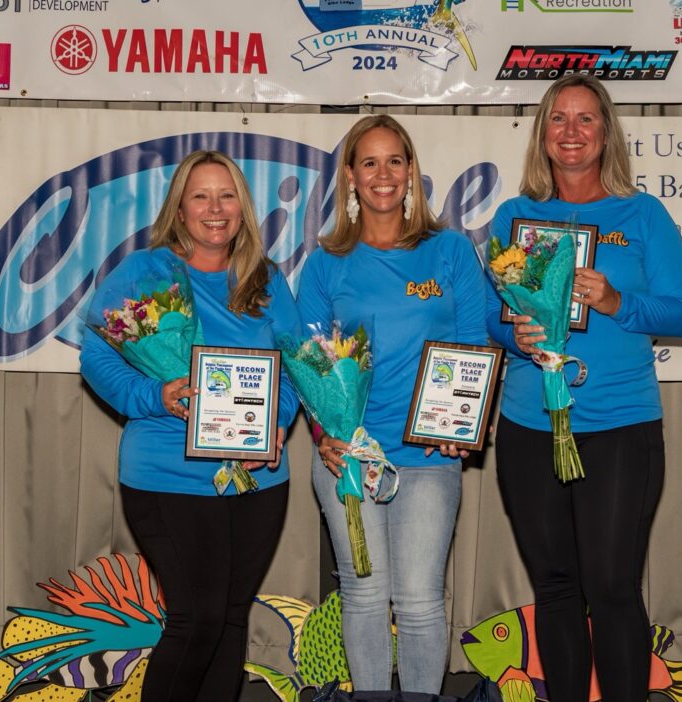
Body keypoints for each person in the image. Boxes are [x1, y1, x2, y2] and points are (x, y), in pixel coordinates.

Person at [486, 75, 682, 702]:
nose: (571, 132)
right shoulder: (514, 216)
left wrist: (615, 300)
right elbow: (490, 319)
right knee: (554, 587)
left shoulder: (642, 214)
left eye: (585, 119)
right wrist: (514, 334)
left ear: (606, 131)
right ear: (542, 134)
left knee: (611, 586)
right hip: (530, 424)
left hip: (619, 427)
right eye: (558, 119)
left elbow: (680, 315)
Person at [80, 150, 300, 702]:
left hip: (256, 481)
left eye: (226, 196)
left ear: (242, 207)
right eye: (200, 196)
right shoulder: (146, 271)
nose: (215, 208)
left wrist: (277, 424)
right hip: (166, 475)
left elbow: (299, 367)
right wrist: (153, 395)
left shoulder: (267, 279)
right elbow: (96, 358)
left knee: (228, 619)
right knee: (197, 617)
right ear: (179, 209)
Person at [296, 115, 488, 693]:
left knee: (420, 598)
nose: (383, 174)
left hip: (429, 452)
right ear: (350, 176)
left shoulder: (450, 251)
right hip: (348, 455)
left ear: (412, 172)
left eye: (395, 161)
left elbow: (475, 344)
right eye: (369, 162)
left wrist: (462, 424)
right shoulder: (326, 263)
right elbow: (308, 361)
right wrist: (324, 436)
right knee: (364, 593)